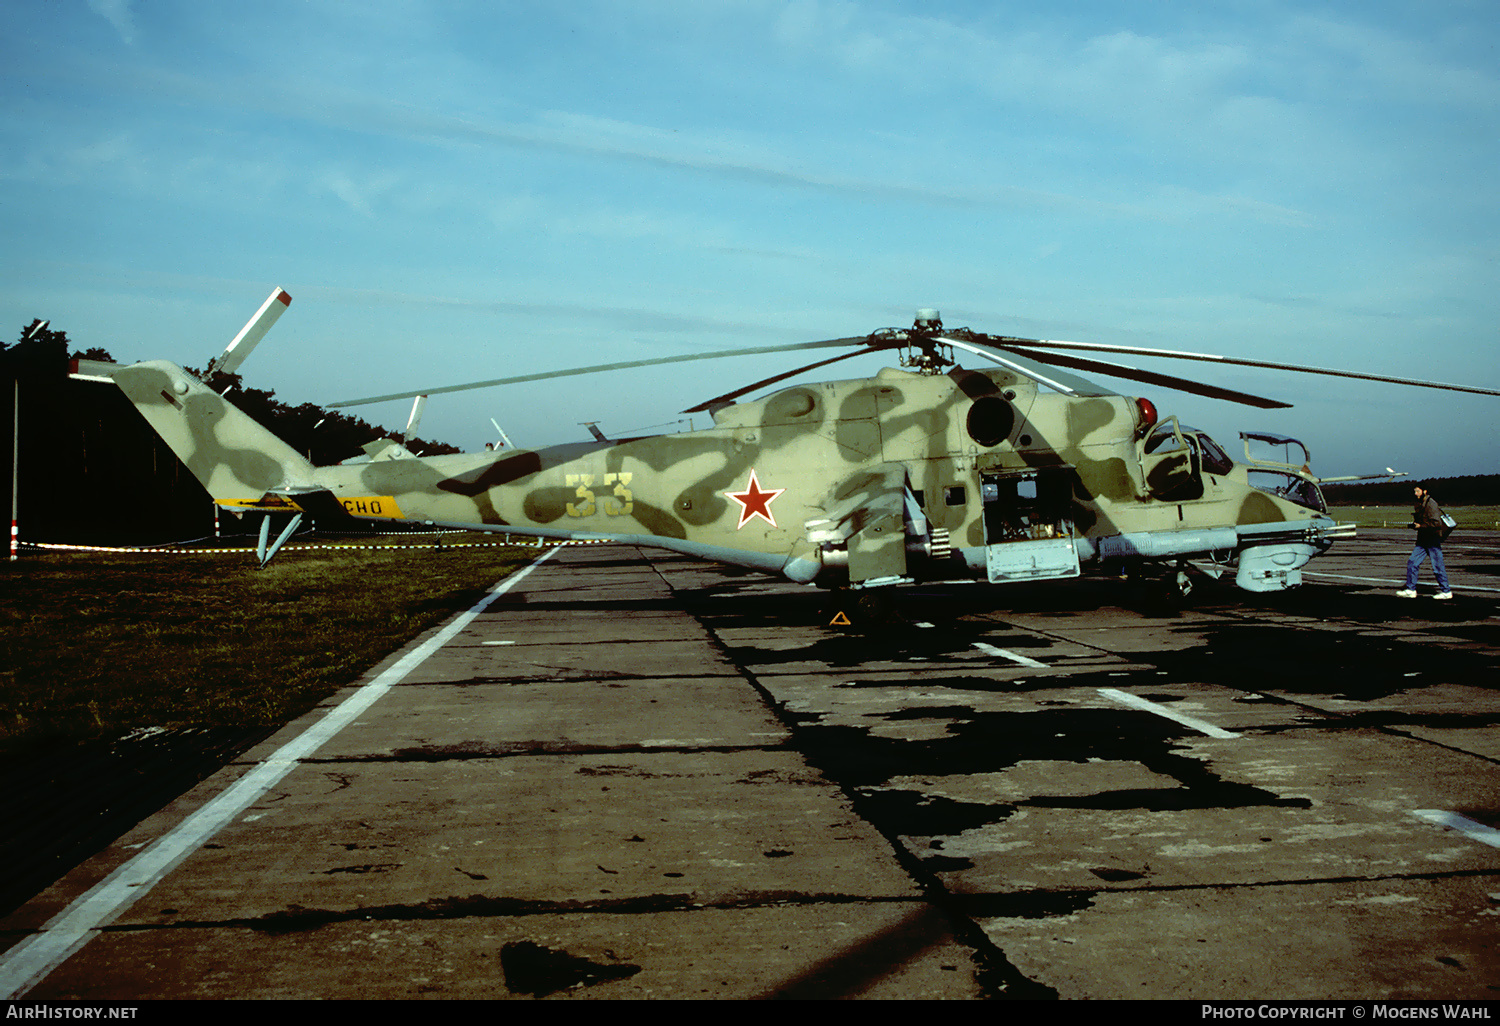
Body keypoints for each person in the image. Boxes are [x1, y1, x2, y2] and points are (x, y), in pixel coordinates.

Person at [1397, 484, 1452, 599]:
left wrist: (1421, 526)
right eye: (1415, 491)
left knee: (1437, 566)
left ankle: (1446, 591)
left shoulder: (1431, 504)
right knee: (1412, 562)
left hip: (1432, 539)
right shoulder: (1420, 504)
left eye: (1417, 491)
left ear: (1425, 491)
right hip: (1423, 539)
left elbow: (1436, 523)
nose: (1415, 493)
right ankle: (1411, 589)